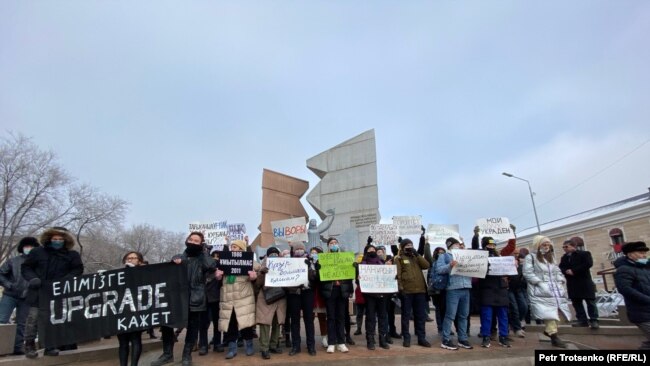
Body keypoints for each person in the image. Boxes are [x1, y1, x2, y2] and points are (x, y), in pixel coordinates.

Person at [152, 231, 216, 366]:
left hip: (195, 298)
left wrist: (204, 251)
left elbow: (211, 266)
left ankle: (187, 355)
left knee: (192, 328)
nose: (193, 242)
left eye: (196, 240)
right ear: (187, 240)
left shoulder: (203, 259)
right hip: (176, 299)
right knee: (167, 325)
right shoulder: (178, 257)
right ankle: (167, 354)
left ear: (201, 243)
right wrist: (175, 262)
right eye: (191, 239)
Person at [22, 227, 83, 359]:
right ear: (49, 239)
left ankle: (50, 346)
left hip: (57, 293)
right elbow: (26, 267)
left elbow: (77, 270)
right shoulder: (37, 252)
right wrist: (33, 279)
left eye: (60, 239)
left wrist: (67, 280)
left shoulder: (72, 255)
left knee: (53, 320)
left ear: (65, 240)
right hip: (38, 291)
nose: (57, 241)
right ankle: (29, 346)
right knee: (33, 319)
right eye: (55, 239)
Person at [522, 235, 572, 348]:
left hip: (554, 289)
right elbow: (527, 273)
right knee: (550, 313)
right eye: (544, 244)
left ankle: (550, 332)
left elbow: (557, 271)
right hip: (540, 290)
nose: (546, 246)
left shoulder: (550, 257)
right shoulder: (531, 257)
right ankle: (554, 336)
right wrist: (539, 283)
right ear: (538, 245)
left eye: (548, 244)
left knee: (561, 313)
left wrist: (560, 280)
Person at [216, 239, 257, 359]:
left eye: (235, 247)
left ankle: (249, 346)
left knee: (246, 323)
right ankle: (232, 348)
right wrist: (218, 276)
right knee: (230, 324)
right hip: (228, 298)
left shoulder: (249, 262)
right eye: (231, 246)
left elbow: (258, 270)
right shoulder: (224, 261)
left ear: (241, 249)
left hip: (244, 298)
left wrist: (254, 277)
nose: (232, 249)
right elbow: (218, 276)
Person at [0, 237, 39, 355]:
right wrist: (9, 285)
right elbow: (1, 274)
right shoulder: (13, 261)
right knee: (2, 320)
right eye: (27, 246)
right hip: (10, 295)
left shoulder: (37, 264)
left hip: (27, 297)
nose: (29, 249)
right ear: (22, 248)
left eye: (32, 247)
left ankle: (17, 348)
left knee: (22, 323)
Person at [436, 237, 473, 350]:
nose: (459, 245)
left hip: (466, 287)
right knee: (450, 315)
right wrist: (450, 265)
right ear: (451, 245)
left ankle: (462, 338)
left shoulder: (466, 255)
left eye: (459, 244)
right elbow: (439, 269)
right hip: (453, 289)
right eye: (457, 244)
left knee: (463, 315)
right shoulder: (444, 256)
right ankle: (446, 339)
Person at [317, 237, 352, 353]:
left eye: (335, 243)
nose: (333, 244)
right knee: (331, 317)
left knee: (341, 317)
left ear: (338, 244)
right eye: (331, 243)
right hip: (330, 291)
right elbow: (319, 277)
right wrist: (318, 269)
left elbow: (351, 275)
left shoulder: (346, 258)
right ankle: (331, 343)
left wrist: (354, 267)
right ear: (328, 246)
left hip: (342, 290)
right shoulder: (323, 259)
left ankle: (341, 342)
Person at [613, 241, 650, 350]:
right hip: (641, 313)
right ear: (630, 255)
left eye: (645, 253)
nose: (644, 255)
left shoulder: (644, 268)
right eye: (641, 253)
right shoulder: (623, 270)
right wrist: (648, 299)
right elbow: (625, 289)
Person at [395, 238, 431, 348]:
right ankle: (406, 338)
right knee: (406, 316)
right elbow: (398, 274)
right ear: (402, 247)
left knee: (420, 316)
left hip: (420, 291)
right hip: (407, 291)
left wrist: (417, 254)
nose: (409, 247)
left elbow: (426, 265)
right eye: (407, 245)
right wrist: (401, 289)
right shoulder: (399, 258)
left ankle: (421, 338)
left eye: (411, 244)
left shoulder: (416, 257)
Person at [285, 242, 318, 356]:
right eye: (297, 248)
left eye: (301, 248)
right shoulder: (288, 262)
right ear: (293, 250)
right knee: (294, 321)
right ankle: (296, 346)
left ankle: (311, 346)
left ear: (305, 250)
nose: (299, 250)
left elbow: (314, 277)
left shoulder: (310, 260)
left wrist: (309, 267)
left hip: (307, 292)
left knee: (309, 320)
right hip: (294, 293)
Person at [559, 237, 599, 329]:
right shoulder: (564, 257)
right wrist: (566, 271)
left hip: (584, 282)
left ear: (573, 246)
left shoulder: (584, 254)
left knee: (590, 302)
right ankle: (582, 320)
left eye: (566, 246)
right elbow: (561, 267)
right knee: (576, 302)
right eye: (563, 247)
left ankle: (594, 320)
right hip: (572, 283)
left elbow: (588, 264)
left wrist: (574, 271)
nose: (565, 249)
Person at [255, 246, 287, 359]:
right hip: (265, 298)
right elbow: (257, 284)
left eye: (275, 253)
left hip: (280, 297)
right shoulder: (262, 266)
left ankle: (273, 345)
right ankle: (264, 348)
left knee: (277, 322)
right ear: (267, 256)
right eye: (271, 254)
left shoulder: (284, 264)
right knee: (265, 323)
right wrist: (262, 274)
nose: (274, 255)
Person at [478, 237, 510, 348]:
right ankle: (486, 337)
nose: (491, 247)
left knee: (503, 315)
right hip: (487, 289)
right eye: (489, 245)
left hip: (501, 289)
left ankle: (504, 337)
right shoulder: (480, 256)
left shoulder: (499, 256)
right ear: (484, 245)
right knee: (487, 315)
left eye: (493, 245)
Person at [358, 244, 390, 350]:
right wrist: (358, 277)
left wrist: (392, 276)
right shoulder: (363, 264)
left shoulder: (381, 262)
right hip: (370, 295)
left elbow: (387, 276)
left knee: (382, 317)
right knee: (370, 317)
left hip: (382, 293)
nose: (372, 250)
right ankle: (370, 340)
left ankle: (382, 339)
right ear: (366, 252)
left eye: (373, 249)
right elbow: (358, 280)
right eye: (369, 249)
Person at [118, 251, 145, 366]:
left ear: (139, 261)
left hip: (137, 310)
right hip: (122, 310)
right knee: (123, 342)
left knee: (135, 339)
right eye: (128, 258)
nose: (130, 260)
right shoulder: (118, 274)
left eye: (134, 258)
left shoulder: (146, 273)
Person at [309, 246, 329, 348]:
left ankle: (324, 338)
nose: (313, 254)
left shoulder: (324, 264)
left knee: (322, 317)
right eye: (312, 253)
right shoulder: (307, 264)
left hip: (321, 293)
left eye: (315, 253)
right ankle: (310, 337)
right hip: (311, 293)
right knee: (310, 317)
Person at [508, 247, 528, 338]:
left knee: (524, 306)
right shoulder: (506, 263)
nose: (516, 255)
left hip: (519, 288)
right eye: (514, 253)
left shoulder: (521, 263)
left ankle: (517, 322)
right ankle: (517, 328)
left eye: (517, 253)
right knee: (514, 308)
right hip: (509, 288)